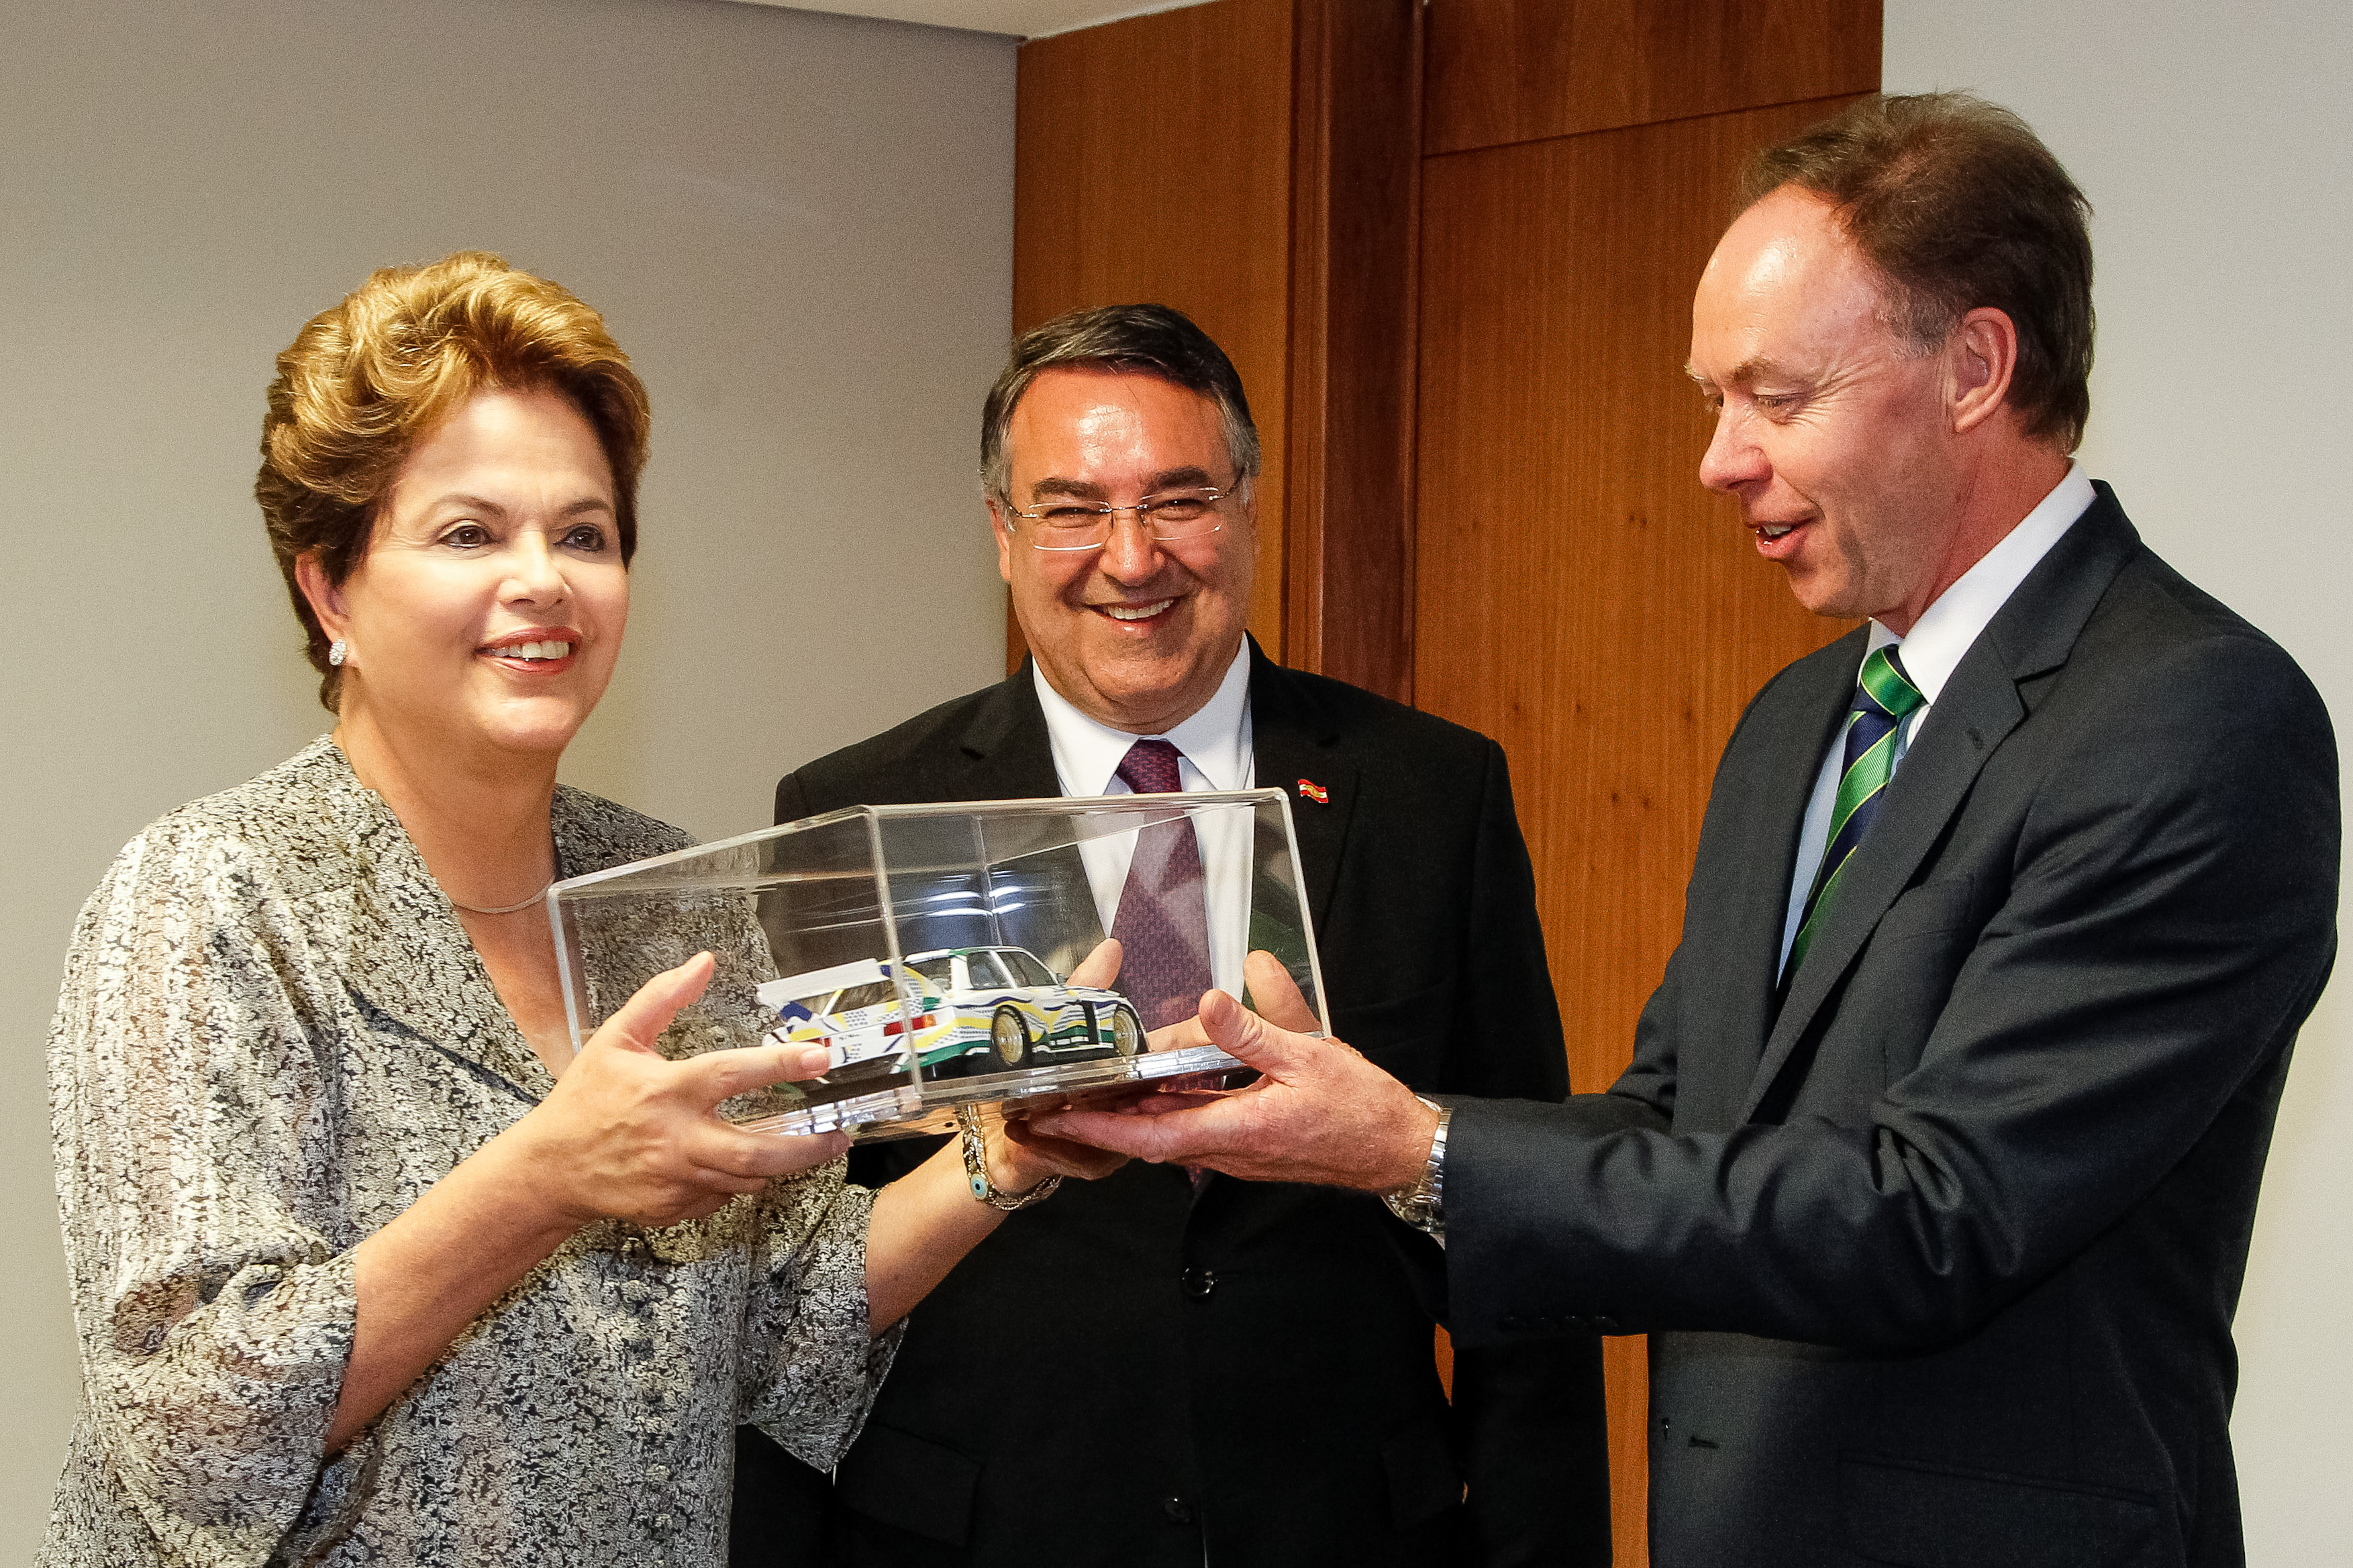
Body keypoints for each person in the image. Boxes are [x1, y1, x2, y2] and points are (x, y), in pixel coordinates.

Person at [1039, 95, 2340, 1568]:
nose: (1718, 459)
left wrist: (1422, 1140)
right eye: (1710, 399)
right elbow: (1674, 1125)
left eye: (1775, 398)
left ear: (1975, 365)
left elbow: (1938, 1210)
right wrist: (1348, 1125)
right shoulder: (1801, 718)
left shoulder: (2192, 717)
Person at [41, 251, 1119, 1567]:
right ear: (331, 588)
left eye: (586, 532)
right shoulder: (210, 898)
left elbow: (788, 1320)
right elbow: (194, 1428)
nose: (545, 578)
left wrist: (997, 1156)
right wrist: (545, 1179)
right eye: (469, 531)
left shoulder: (664, 894)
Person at [733, 305, 1611, 1567]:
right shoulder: (859, 815)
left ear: (1247, 506)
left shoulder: (1430, 793)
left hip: (1347, 1528)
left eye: (1179, 500)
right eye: (1073, 507)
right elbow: (795, 1264)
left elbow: (1519, 1214)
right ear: (1001, 532)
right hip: (975, 1530)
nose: (1131, 557)